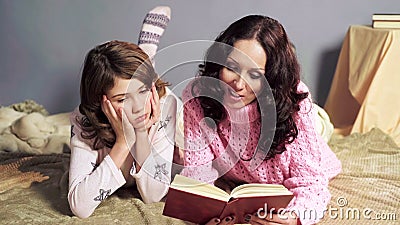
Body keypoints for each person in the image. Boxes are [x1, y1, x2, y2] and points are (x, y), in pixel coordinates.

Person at [181, 15, 341, 225]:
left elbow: (312, 184)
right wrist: (206, 215)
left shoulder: (295, 101)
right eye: (231, 67)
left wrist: (295, 218)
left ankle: (319, 118)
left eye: (255, 75)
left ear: (271, 77)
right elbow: (197, 170)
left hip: (289, 115)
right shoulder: (198, 95)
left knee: (320, 123)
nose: (238, 84)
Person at [68, 7, 178, 219]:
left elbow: (154, 195)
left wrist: (143, 135)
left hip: (164, 102)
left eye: (143, 91)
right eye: (122, 99)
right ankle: (144, 63)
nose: (138, 107)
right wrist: (123, 142)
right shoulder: (84, 121)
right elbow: (80, 206)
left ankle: (146, 61)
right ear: (100, 101)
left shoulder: (162, 107)